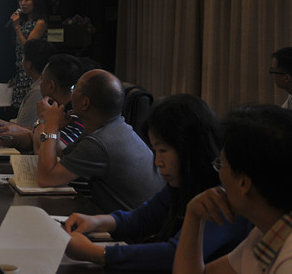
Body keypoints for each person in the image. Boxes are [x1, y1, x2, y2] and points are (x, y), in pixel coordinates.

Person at [63, 94, 251, 270]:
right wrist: (95, 221)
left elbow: (173, 254)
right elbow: (142, 218)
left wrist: (95, 253)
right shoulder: (184, 182)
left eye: (163, 151)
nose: (158, 161)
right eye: (155, 150)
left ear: (189, 148)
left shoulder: (222, 198)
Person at [174, 105, 292, 274]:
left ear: (243, 183)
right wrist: (193, 216)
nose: (220, 177)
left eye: (221, 165)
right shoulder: (264, 234)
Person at [37, 69, 164, 212]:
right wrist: (55, 127)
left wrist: (50, 125)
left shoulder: (99, 143)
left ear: (85, 103)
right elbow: (62, 155)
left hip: (134, 224)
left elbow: (46, 178)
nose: (71, 94)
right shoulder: (110, 128)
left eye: (75, 88)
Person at [0, 54, 84, 155]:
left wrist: (42, 119)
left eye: (42, 80)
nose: (40, 84)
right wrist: (6, 138)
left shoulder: (74, 116)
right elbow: (34, 137)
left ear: (51, 86)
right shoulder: (61, 109)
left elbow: (45, 152)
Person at [8, 0, 48, 110]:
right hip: (22, 73)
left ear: (35, 1)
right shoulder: (24, 23)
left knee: (30, 109)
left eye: (26, 0)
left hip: (33, 74)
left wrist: (17, 27)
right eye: (21, 0)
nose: (23, 4)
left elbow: (28, 48)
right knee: (18, 110)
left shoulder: (40, 23)